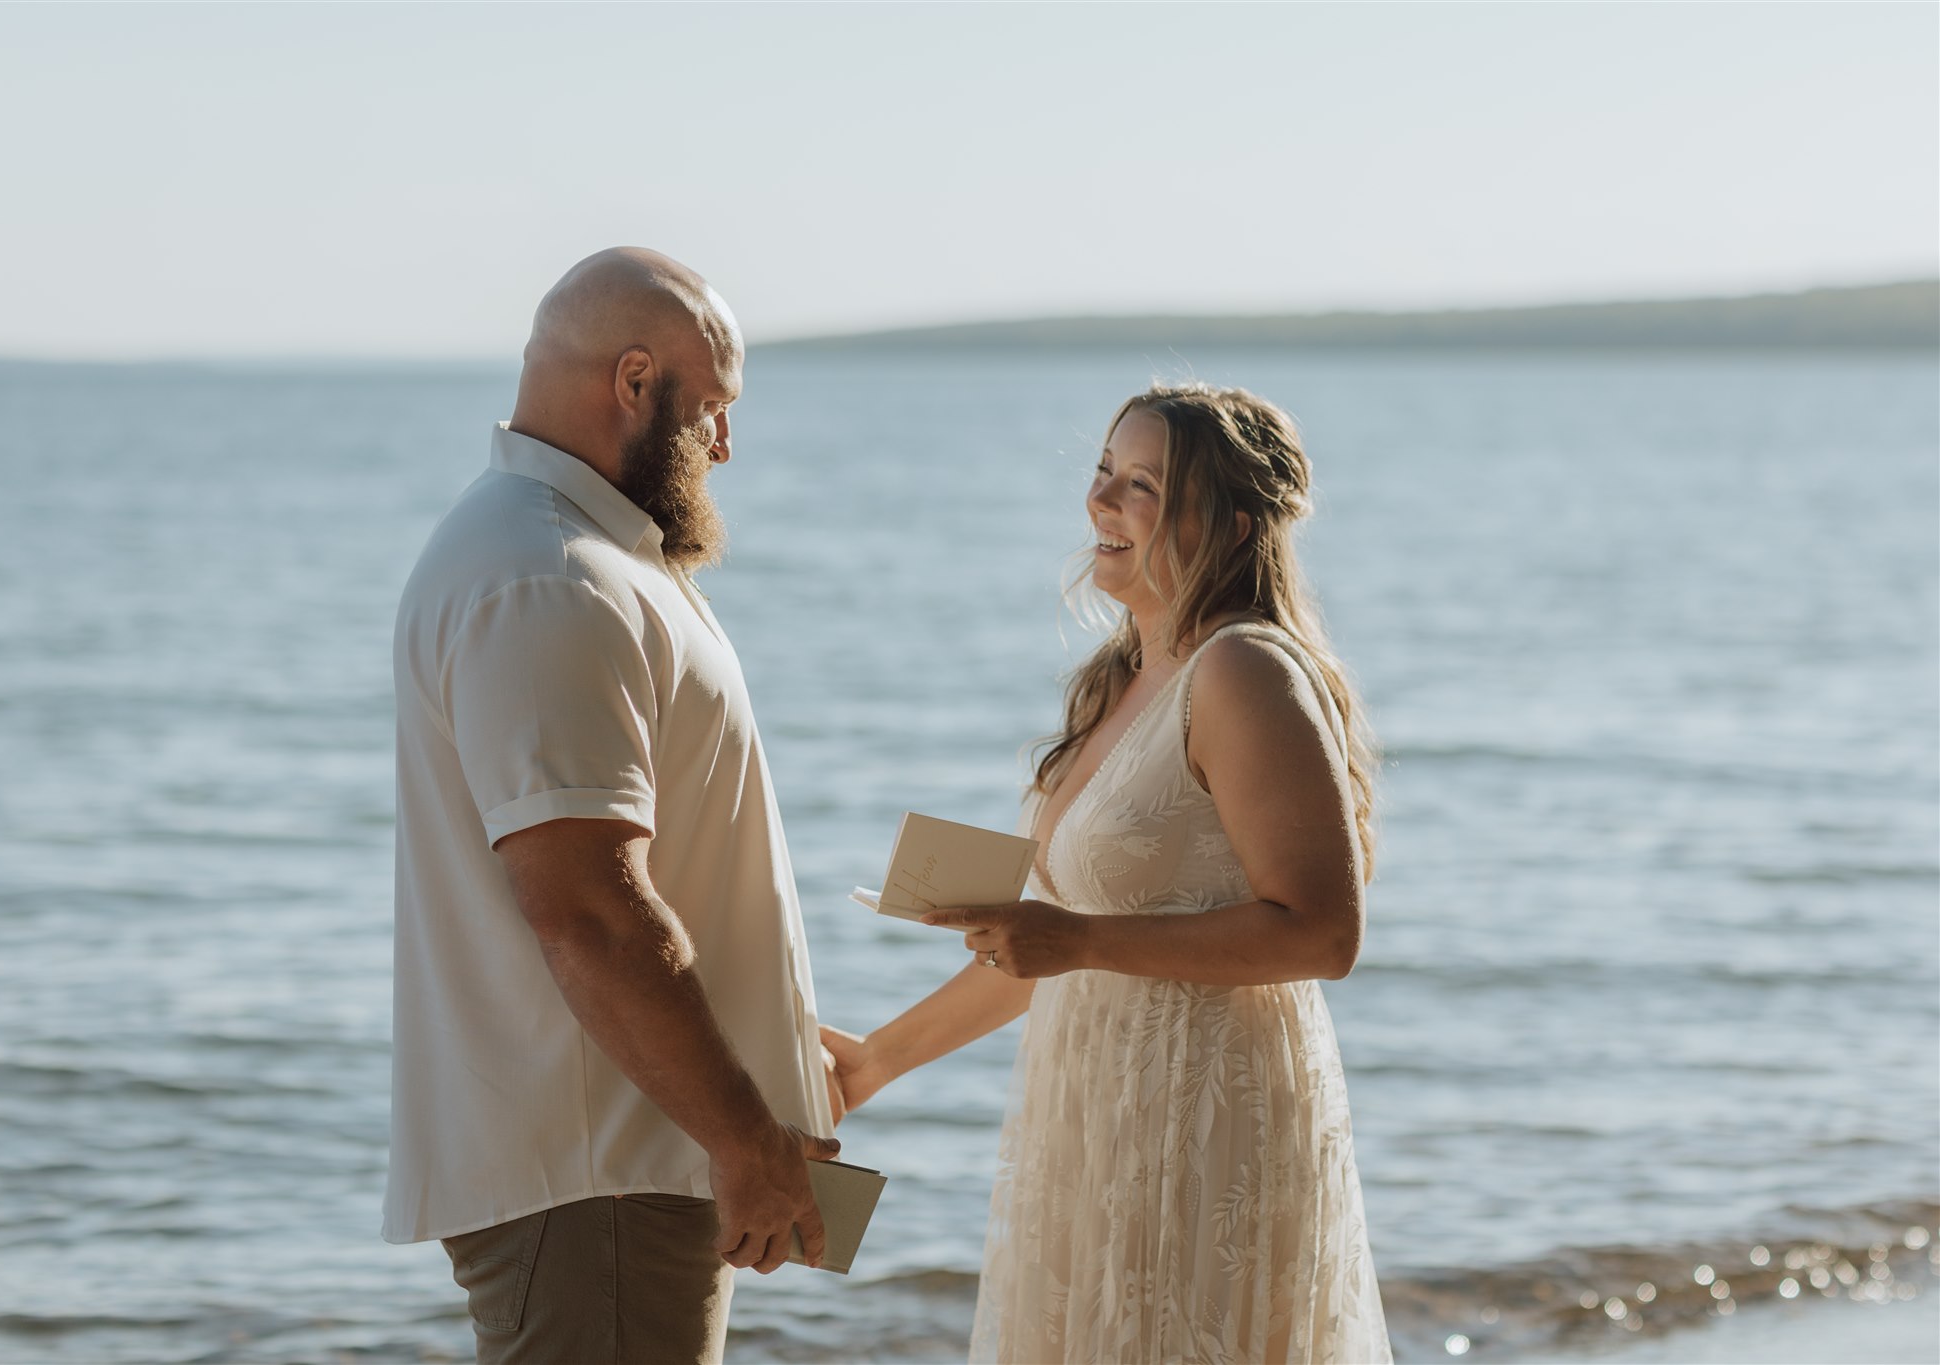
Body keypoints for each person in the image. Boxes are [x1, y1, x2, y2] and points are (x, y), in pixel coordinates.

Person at [823, 382, 1392, 1364]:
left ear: (1230, 524)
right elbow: (1048, 950)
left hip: (1201, 1110)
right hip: (1096, 1107)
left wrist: (1078, 938)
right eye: (1102, 473)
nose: (1100, 501)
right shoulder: (1122, 679)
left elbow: (1321, 933)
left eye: (1142, 486)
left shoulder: (1244, 671)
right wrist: (875, 1061)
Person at [384, 247, 843, 1365]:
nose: (724, 446)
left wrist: (767, 1039)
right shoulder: (548, 575)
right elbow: (587, 909)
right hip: (602, 1184)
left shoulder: (576, 553)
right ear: (635, 380)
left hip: (621, 1167)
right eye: (713, 408)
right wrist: (743, 1134)